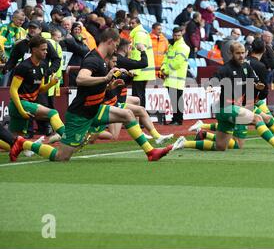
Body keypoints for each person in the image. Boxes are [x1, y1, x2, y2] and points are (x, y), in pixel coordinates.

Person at [10, 29, 175, 162]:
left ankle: (151, 152)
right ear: (109, 42)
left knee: (128, 114)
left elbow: (96, 83)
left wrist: (110, 84)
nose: (116, 49)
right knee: (62, 157)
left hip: (95, 109)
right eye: (115, 45)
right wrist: (106, 78)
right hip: (80, 114)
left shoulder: (102, 60)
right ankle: (24, 143)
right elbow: (81, 79)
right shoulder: (94, 59)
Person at [173, 41, 274, 153]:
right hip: (226, 108)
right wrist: (209, 86)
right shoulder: (225, 69)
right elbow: (212, 80)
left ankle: (184, 143)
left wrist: (258, 86)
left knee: (220, 146)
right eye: (238, 53)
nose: (241, 56)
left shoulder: (246, 67)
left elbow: (255, 81)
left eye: (243, 53)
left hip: (230, 110)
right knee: (257, 119)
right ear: (231, 53)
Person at [7, 36, 64, 141]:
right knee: (53, 113)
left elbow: (40, 89)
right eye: (43, 49)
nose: (46, 52)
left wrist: (51, 84)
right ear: (34, 50)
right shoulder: (23, 66)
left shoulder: (43, 66)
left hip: (27, 105)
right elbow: (13, 90)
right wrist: (21, 109)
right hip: (20, 104)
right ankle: (68, 138)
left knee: (14, 141)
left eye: (46, 49)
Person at [160, 27, 190, 125]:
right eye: (175, 35)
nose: (177, 37)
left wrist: (166, 71)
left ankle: (178, 120)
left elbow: (177, 62)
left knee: (177, 100)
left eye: (179, 35)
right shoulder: (171, 46)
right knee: (174, 100)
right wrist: (163, 68)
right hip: (171, 77)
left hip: (177, 78)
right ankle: (175, 119)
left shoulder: (184, 47)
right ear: (172, 35)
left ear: (182, 35)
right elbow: (166, 58)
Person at [129, 17, 156, 108]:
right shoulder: (142, 33)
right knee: (141, 95)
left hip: (139, 71)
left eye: (133, 23)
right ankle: (142, 117)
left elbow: (138, 52)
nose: (131, 25)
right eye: (130, 23)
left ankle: (139, 118)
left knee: (137, 96)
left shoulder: (139, 34)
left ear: (138, 23)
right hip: (144, 71)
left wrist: (134, 69)